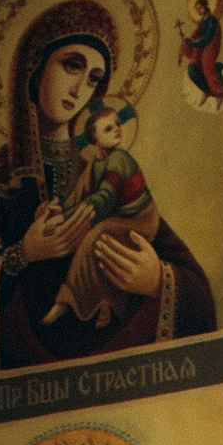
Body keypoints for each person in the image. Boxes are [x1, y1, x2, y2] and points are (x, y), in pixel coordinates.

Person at [0, 1, 215, 381]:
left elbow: (196, 291)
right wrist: (22, 255)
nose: (80, 88)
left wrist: (157, 279)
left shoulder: (101, 167)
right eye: (72, 65)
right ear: (35, 68)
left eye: (93, 78)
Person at [42, 96, 160, 330]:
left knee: (97, 234)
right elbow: (80, 194)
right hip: (120, 218)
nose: (117, 129)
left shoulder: (119, 159)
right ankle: (104, 301)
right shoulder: (96, 163)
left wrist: (62, 220)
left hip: (140, 219)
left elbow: (104, 199)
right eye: (108, 128)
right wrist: (57, 208)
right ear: (94, 138)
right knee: (95, 238)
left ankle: (65, 302)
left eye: (117, 124)